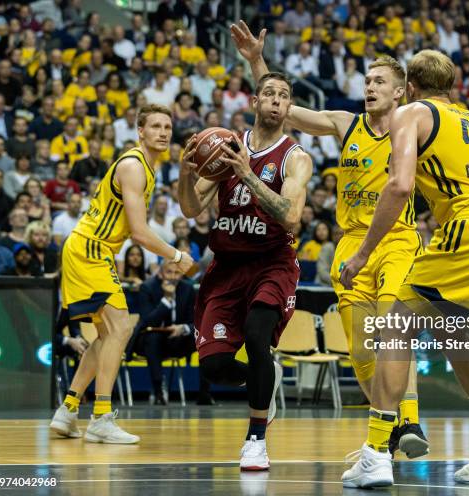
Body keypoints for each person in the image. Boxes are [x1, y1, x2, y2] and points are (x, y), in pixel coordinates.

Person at [232, 22, 469, 461]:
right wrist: (256, 60)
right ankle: (397, 430)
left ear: (403, 91)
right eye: (366, 80)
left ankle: (405, 425)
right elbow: (282, 111)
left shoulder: (412, 127)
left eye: (379, 81)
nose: (369, 87)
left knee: (396, 325)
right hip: (353, 240)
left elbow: (455, 155)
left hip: (398, 239)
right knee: (366, 348)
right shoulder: (345, 124)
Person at [339, 50, 469, 488]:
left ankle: (375, 452)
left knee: (395, 326)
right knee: (452, 329)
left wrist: (361, 254)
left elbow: (401, 185)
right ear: (452, 87)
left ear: (409, 86)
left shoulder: (410, 113)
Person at [178, 71, 312, 470]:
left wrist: (248, 174)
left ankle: (256, 440)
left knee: (257, 336)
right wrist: (187, 173)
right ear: (254, 102)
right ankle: (263, 379)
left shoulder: (296, 157)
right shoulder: (225, 147)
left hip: (272, 262)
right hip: (227, 266)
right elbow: (190, 208)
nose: (275, 100)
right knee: (215, 367)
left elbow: (291, 217)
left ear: (288, 108)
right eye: (268, 93)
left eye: (283, 96)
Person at [49, 104, 194, 444]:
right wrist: (176, 255)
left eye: (168, 127)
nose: (163, 132)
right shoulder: (133, 166)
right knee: (120, 329)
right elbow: (141, 233)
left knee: (106, 334)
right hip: (90, 248)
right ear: (140, 131)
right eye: (155, 126)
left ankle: (68, 410)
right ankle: (100, 416)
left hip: (94, 250)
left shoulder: (147, 168)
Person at [125, 260, 197, 405]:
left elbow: (195, 321)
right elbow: (147, 321)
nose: (172, 277)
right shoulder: (147, 287)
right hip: (148, 341)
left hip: (176, 339)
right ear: (161, 273)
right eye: (169, 272)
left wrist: (183, 328)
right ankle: (158, 389)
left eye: (177, 273)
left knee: (202, 338)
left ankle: (204, 394)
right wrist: (167, 300)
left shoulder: (188, 289)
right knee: (153, 338)